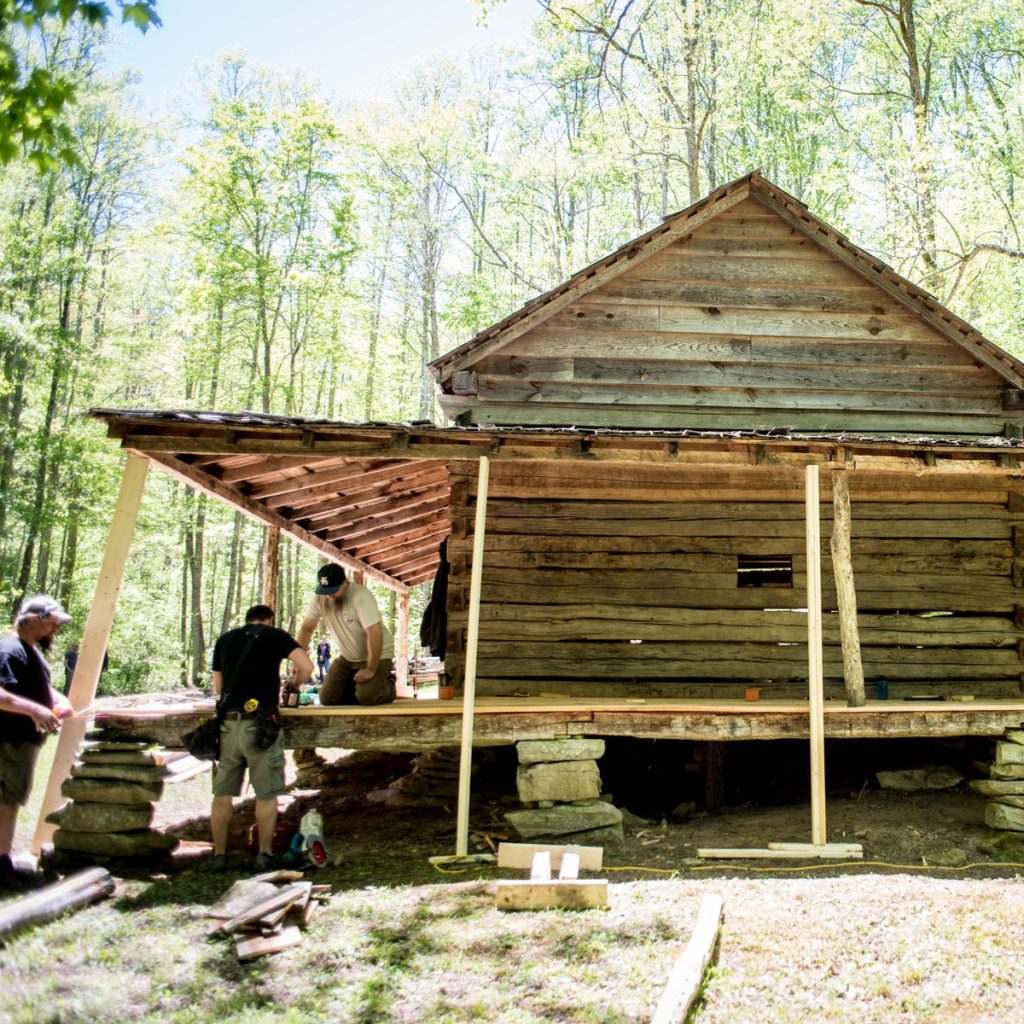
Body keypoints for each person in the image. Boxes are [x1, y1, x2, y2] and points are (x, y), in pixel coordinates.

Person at [208, 604, 313, 873]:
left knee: (222, 794)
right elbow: (307, 666)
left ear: (247, 620)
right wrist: (294, 684)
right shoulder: (276, 636)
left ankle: (219, 855)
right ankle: (264, 854)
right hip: (262, 723)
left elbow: (218, 687)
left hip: (229, 723)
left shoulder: (225, 639)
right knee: (266, 794)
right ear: (269, 619)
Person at [0, 595, 74, 888]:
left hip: (21, 743)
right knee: (5, 800)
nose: (55, 629)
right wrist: (35, 709)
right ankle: (2, 868)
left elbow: (36, 687)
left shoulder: (30, 652)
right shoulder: (8, 649)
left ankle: (3, 861)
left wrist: (57, 699)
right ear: (32, 620)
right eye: (52, 622)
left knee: (9, 800)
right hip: (7, 740)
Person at [296, 564, 395, 707]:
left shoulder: (360, 597)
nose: (329, 596)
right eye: (325, 591)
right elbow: (306, 628)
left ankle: (388, 686)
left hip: (377, 655)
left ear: (345, 582)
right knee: (327, 699)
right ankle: (358, 689)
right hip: (348, 658)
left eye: (333, 591)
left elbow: (374, 633)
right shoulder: (320, 599)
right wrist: (298, 659)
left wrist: (371, 669)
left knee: (366, 697)